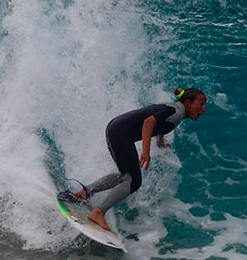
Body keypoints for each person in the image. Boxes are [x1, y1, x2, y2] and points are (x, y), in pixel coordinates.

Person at [65, 88, 207, 232]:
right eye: (201, 104)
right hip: (120, 133)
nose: (203, 109)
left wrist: (160, 141)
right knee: (133, 181)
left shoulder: (174, 108)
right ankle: (98, 213)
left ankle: (83, 193)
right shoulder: (176, 113)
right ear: (188, 103)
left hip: (115, 128)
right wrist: (146, 151)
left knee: (125, 176)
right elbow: (149, 122)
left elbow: (160, 123)